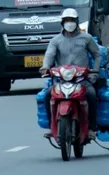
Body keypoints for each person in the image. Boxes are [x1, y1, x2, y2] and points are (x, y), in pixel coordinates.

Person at [39, 8, 101, 140]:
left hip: (81, 79)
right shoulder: (56, 40)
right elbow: (49, 55)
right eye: (67, 20)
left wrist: (95, 72)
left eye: (72, 20)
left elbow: (97, 55)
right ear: (62, 22)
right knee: (47, 95)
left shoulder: (86, 38)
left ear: (77, 22)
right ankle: (52, 126)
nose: (70, 23)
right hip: (61, 80)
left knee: (91, 95)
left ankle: (91, 128)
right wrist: (45, 67)